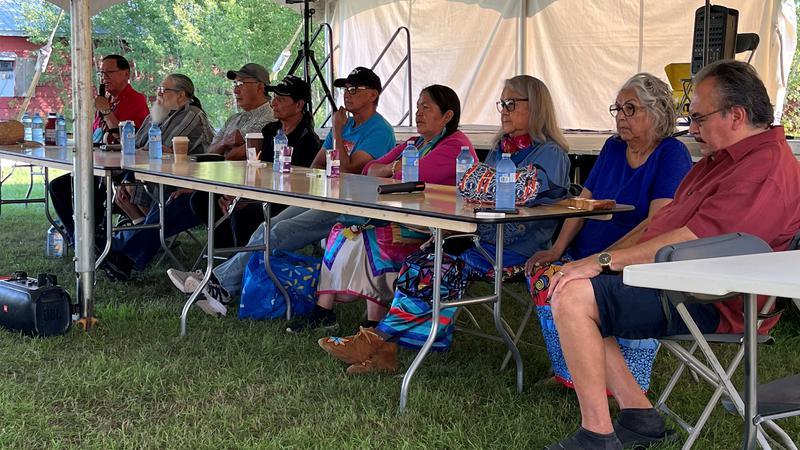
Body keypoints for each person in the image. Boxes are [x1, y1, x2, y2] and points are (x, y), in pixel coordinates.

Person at [542, 61, 800, 450]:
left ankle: (597, 435)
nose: (691, 128)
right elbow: (664, 222)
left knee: (575, 296)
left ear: (736, 115)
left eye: (698, 118)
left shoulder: (763, 170)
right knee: (578, 286)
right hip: (686, 282)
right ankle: (639, 417)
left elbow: (691, 241)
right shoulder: (724, 160)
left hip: (719, 299)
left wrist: (602, 262)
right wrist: (604, 259)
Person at [318, 75, 571, 374]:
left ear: (536, 107)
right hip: (480, 240)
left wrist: (484, 183)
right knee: (419, 262)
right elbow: (474, 188)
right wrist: (478, 192)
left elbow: (520, 190)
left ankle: (377, 339)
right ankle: (385, 350)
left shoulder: (551, 153)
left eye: (511, 103)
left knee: (434, 268)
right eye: (502, 103)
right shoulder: (502, 149)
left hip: (517, 249)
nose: (503, 110)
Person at [165, 67, 395, 316]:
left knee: (278, 232)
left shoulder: (378, 130)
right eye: (345, 89)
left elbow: (349, 168)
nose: (347, 94)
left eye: (354, 89)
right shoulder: (340, 125)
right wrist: (336, 151)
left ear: (373, 95)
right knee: (266, 227)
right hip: (326, 197)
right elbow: (317, 166)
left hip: (355, 207)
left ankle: (217, 284)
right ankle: (218, 282)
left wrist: (337, 133)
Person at [284, 85, 477, 332]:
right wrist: (394, 168)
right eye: (417, 106)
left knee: (369, 237)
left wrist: (391, 169)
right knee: (343, 231)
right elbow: (369, 169)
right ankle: (325, 312)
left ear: (447, 116)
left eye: (426, 107)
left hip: (436, 231)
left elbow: (413, 175)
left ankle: (373, 322)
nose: (418, 113)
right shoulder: (415, 143)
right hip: (407, 220)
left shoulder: (455, 146)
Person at [526, 72, 692, 305]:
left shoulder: (671, 153)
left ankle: (591, 327)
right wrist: (557, 249)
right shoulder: (613, 147)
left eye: (630, 109)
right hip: (585, 255)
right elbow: (582, 204)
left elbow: (658, 223)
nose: (621, 116)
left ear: (656, 112)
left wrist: (602, 259)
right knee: (543, 273)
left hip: (626, 264)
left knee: (563, 287)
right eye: (618, 109)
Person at [165, 76, 322, 315]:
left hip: (285, 199)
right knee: (202, 199)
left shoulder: (306, 139)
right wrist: (236, 194)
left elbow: (298, 185)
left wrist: (246, 199)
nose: (274, 103)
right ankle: (225, 263)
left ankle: (225, 280)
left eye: (281, 99)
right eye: (274, 97)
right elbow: (255, 169)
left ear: (299, 105)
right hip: (259, 193)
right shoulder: (270, 130)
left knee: (247, 215)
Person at [96, 73, 216, 281]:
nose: (158, 95)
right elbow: (137, 144)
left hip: (185, 181)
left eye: (163, 90)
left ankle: (116, 250)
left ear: (181, 95)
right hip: (156, 177)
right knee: (117, 188)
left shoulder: (191, 114)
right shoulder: (158, 113)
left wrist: (141, 157)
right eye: (158, 90)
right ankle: (115, 248)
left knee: (168, 203)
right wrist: (128, 177)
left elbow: (161, 148)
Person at [48, 54, 149, 244]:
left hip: (121, 168)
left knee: (85, 189)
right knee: (58, 186)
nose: (104, 77)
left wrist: (107, 112)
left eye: (110, 72)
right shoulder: (107, 100)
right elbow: (96, 134)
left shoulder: (136, 100)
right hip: (98, 162)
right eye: (102, 73)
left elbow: (129, 140)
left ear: (126, 74)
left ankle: (90, 240)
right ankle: (78, 237)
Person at [207, 63, 275, 160]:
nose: (235, 91)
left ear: (260, 87)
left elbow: (245, 154)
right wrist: (225, 142)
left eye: (241, 84)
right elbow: (209, 152)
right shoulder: (233, 119)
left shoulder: (270, 119)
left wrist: (222, 149)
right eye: (235, 84)